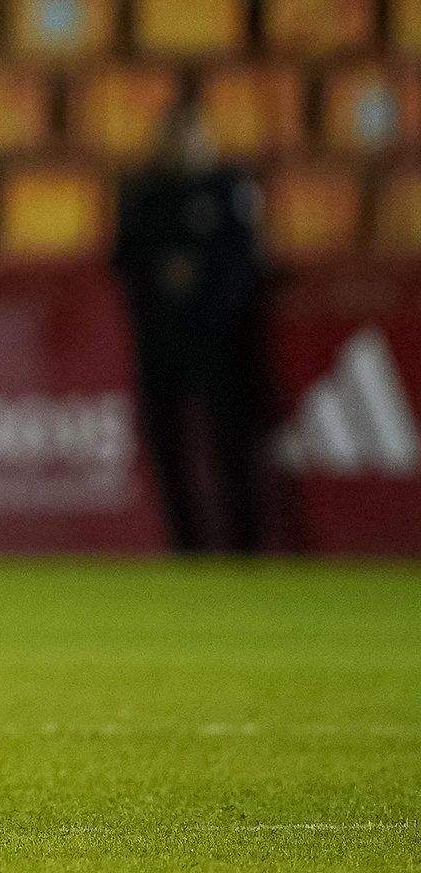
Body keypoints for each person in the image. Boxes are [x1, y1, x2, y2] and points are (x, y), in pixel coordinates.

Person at [111, 105, 272, 555]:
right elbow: (123, 260)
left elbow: (247, 261)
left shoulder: (227, 189)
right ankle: (188, 547)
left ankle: (246, 547)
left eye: (192, 137)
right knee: (169, 448)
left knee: (233, 446)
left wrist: (201, 285)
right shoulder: (142, 192)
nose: (185, 148)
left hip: (221, 339)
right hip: (161, 340)